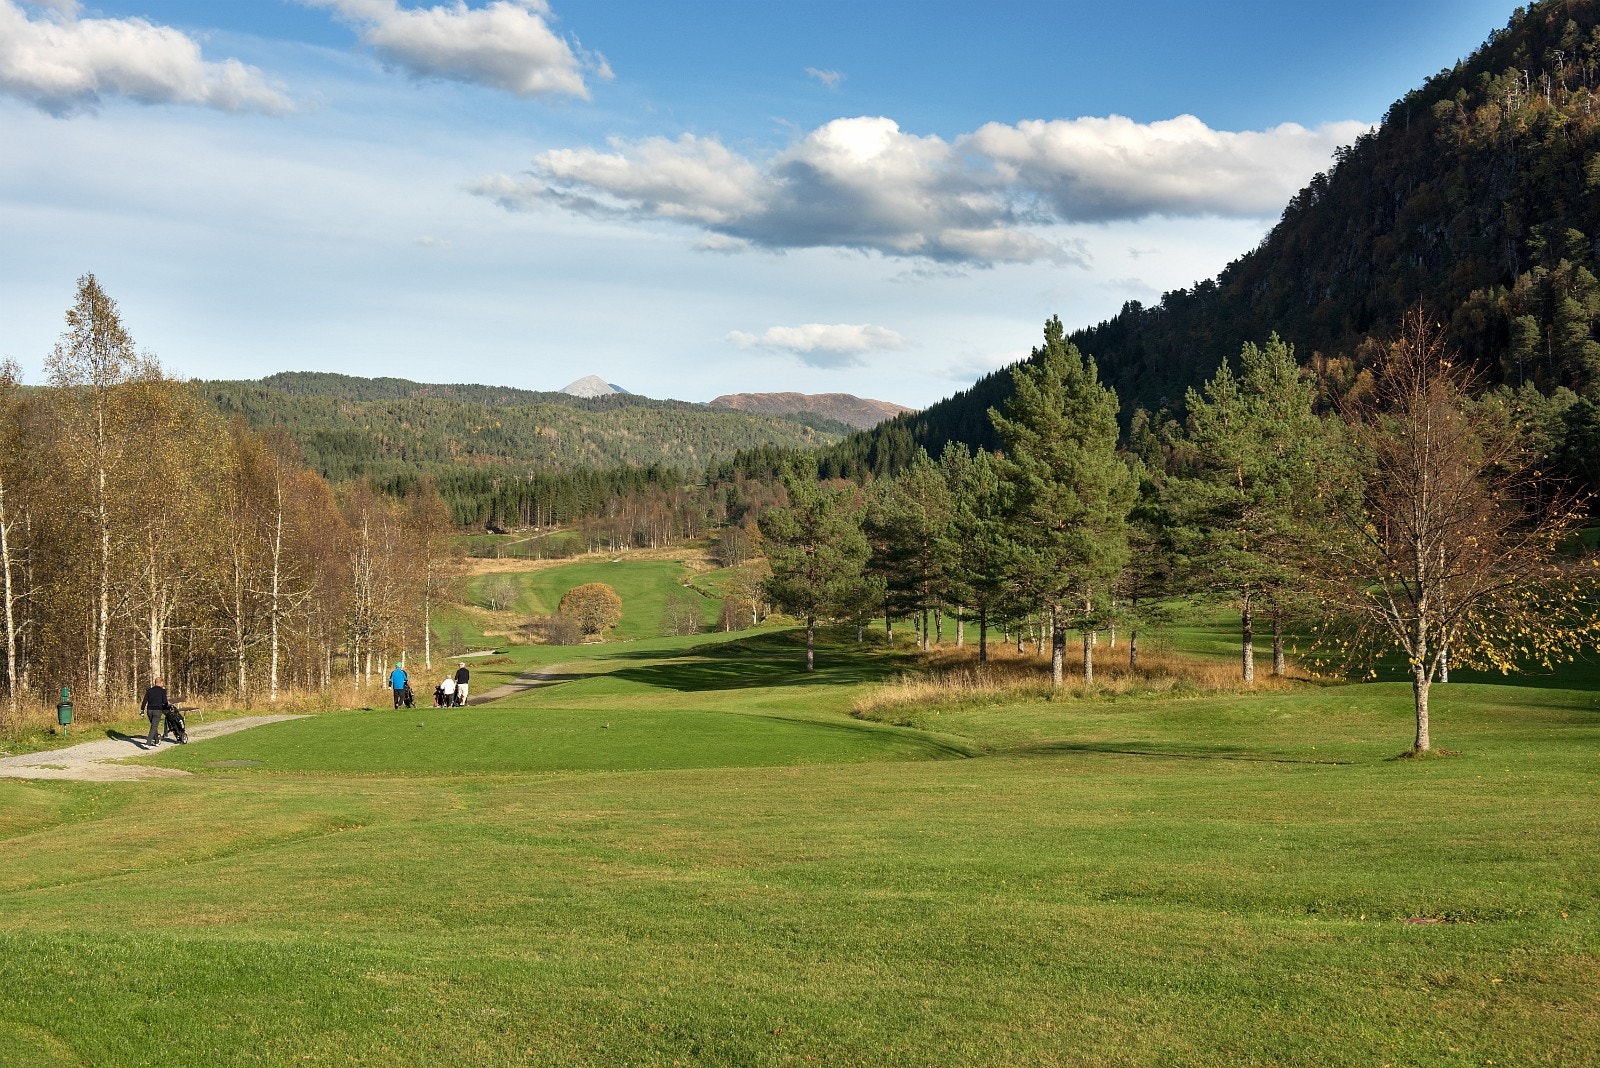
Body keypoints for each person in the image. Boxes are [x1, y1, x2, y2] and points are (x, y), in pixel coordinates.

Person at [140, 677, 169, 747]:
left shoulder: (149, 690)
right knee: (153, 727)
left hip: (149, 711)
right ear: (161, 682)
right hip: (157, 711)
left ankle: (156, 741)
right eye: (162, 683)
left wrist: (142, 710)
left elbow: (144, 701)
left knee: (154, 726)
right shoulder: (162, 691)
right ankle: (148, 743)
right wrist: (166, 707)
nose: (163, 684)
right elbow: (165, 702)